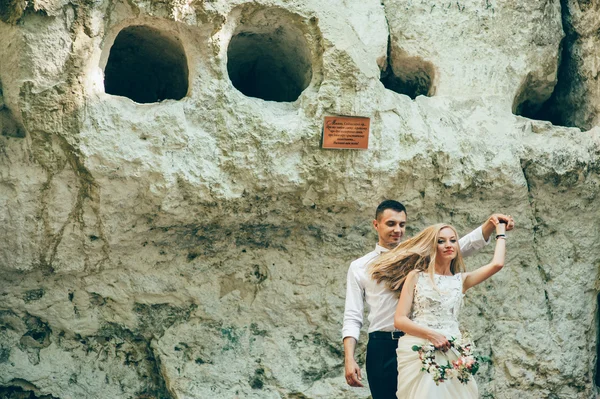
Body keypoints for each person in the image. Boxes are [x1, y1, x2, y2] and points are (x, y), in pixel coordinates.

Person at [342, 200, 513, 399]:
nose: (397, 229)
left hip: (422, 343)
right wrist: (349, 358)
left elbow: (456, 247)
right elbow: (352, 316)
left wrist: (490, 226)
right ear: (376, 224)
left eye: (402, 224)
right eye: (391, 224)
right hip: (382, 346)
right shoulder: (360, 266)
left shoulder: (419, 258)